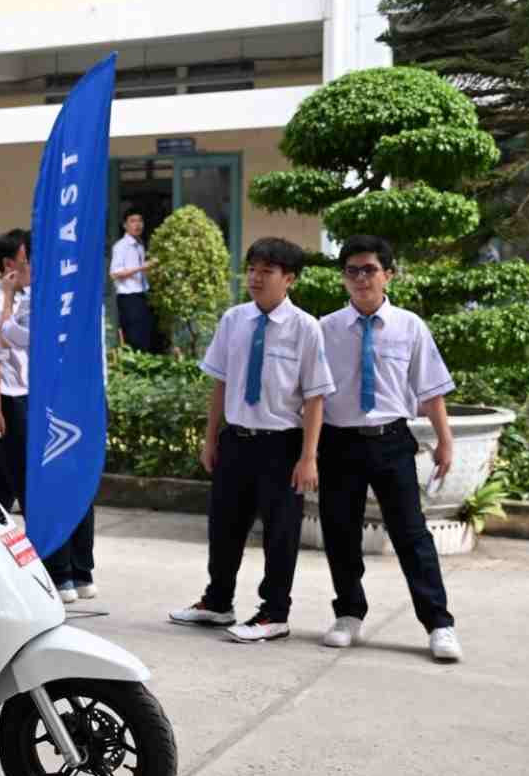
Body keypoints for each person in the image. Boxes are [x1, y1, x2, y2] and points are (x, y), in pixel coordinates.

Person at [169, 237, 334, 643]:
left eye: (267, 271)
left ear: (289, 278)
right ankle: (218, 602)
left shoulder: (305, 328)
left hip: (281, 445)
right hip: (236, 441)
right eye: (252, 270)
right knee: (224, 526)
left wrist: (309, 457)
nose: (256, 278)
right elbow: (220, 384)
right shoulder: (234, 320)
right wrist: (211, 440)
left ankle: (275, 612)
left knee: (280, 533)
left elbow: (315, 397)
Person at [314, 236, 462, 663]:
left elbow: (431, 389)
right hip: (339, 441)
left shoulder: (410, 327)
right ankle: (348, 613)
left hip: (392, 441)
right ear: (344, 278)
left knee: (411, 534)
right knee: (340, 532)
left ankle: (439, 623)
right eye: (352, 271)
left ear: (389, 275)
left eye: (370, 270)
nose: (361, 278)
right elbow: (312, 394)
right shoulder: (325, 329)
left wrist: (445, 440)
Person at [0, 230, 98, 602]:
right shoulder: (80, 294)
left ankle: (60, 575)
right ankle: (82, 573)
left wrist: (7, 296)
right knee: (76, 484)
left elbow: (9, 335)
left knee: (50, 485)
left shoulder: (43, 299)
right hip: (82, 398)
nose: (22, 268)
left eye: (25, 261)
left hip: (50, 401)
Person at [0, 230, 30, 514]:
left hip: (18, 396)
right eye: (27, 260)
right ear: (10, 265)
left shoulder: (17, 300)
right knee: (23, 479)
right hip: (7, 401)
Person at [110, 208, 155, 351]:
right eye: (133, 221)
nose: (137, 224)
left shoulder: (140, 245)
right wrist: (141, 267)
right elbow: (114, 273)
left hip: (142, 295)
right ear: (125, 225)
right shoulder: (121, 246)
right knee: (134, 339)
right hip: (128, 298)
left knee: (145, 336)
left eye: (140, 221)